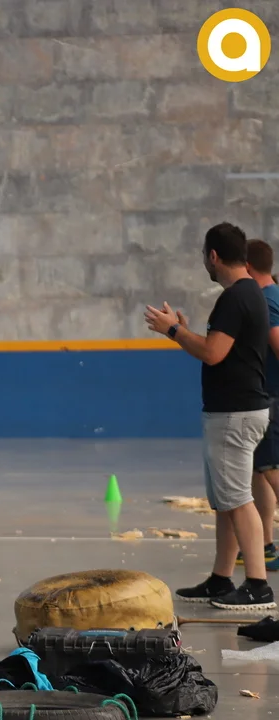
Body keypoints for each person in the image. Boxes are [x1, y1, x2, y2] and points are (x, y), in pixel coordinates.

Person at [144, 222, 275, 609]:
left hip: (235, 413)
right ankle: (221, 578)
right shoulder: (249, 293)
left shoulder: (236, 298)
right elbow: (221, 349)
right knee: (225, 500)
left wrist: (172, 331)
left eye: (205, 255)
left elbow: (212, 353)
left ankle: (257, 584)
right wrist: (184, 331)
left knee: (238, 500)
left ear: (213, 256)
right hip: (237, 410)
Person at [239, 239, 279, 570]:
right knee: (260, 471)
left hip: (271, 398)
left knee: (273, 470)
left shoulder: (266, 301)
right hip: (263, 398)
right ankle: (265, 544)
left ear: (248, 267)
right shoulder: (272, 295)